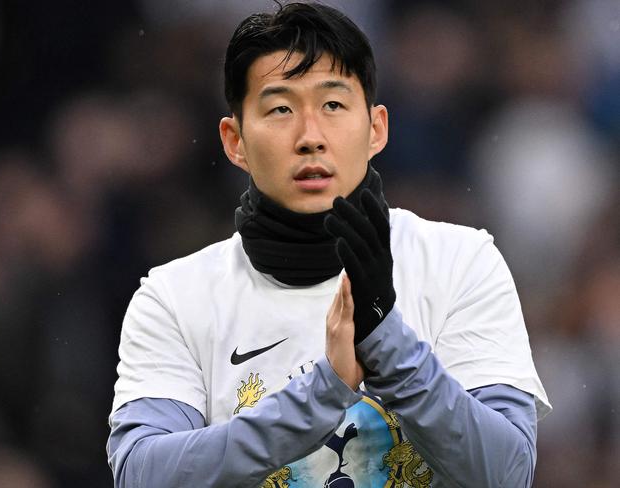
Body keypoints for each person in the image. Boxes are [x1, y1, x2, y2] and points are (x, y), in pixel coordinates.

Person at [107, 3, 551, 486]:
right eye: (280, 108)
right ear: (234, 140)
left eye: (333, 105)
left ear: (376, 128)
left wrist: (386, 339)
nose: (309, 137)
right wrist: (324, 392)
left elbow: (507, 473)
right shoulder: (174, 297)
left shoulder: (461, 262)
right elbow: (142, 475)